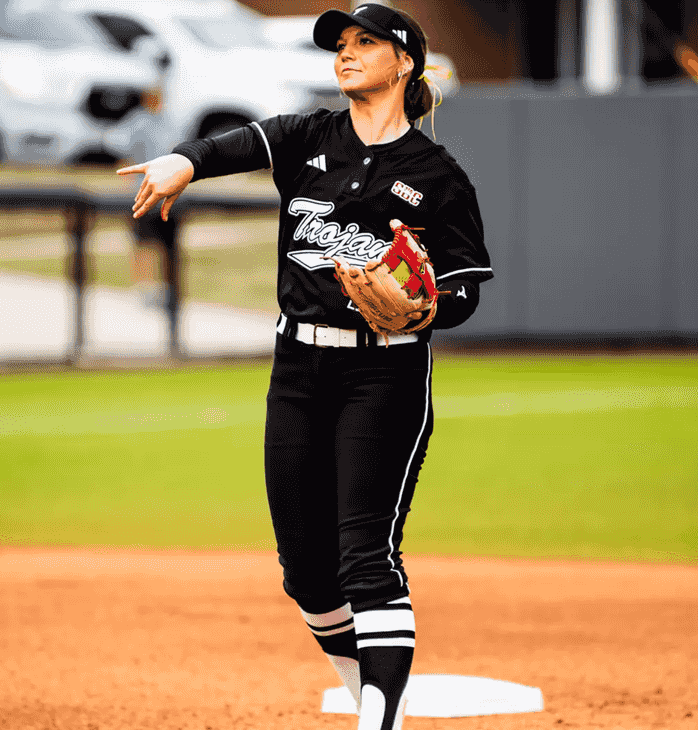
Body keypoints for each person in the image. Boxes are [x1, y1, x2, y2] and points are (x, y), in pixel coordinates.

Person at [118, 5, 492, 728]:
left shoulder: (438, 175)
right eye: (341, 45)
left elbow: (464, 288)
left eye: (365, 43)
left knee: (366, 555)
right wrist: (180, 163)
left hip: (383, 375)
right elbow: (237, 145)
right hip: (297, 373)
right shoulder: (308, 136)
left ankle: (376, 722)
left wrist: (426, 310)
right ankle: (373, 704)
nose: (346, 54)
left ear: (404, 62)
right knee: (307, 575)